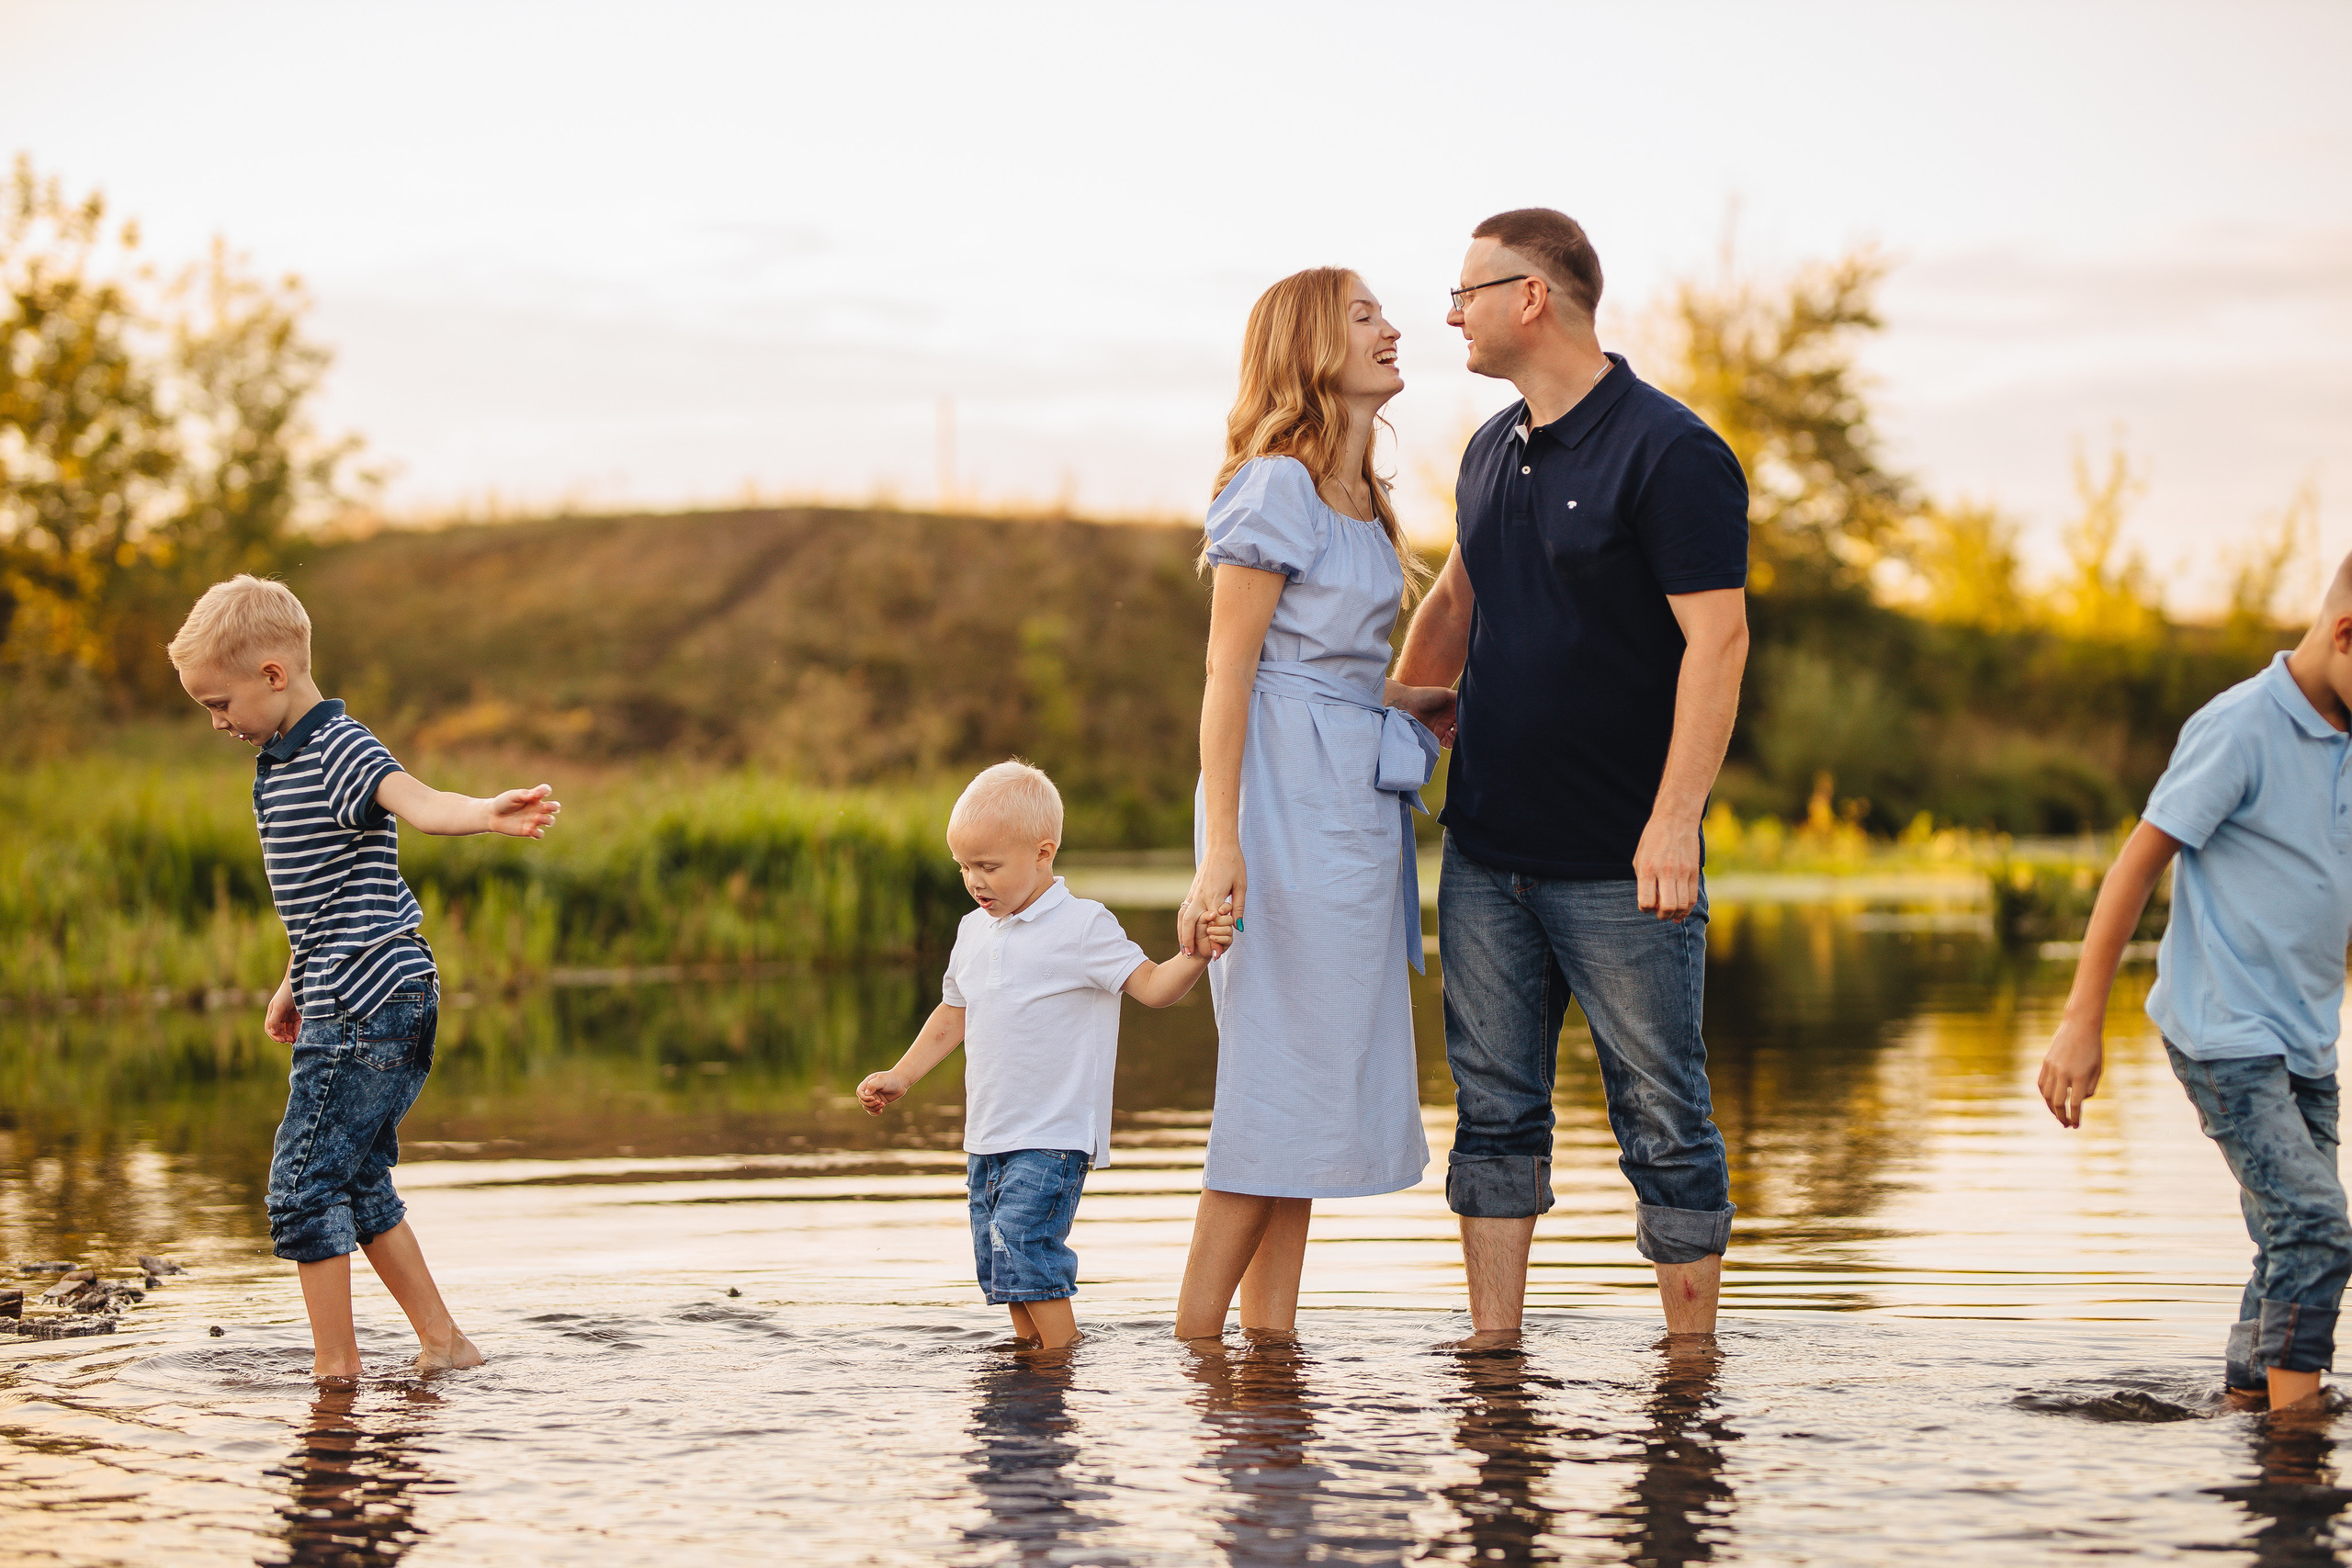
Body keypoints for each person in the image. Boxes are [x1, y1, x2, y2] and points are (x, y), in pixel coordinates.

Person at [1395, 209, 1750, 1343]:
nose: (1451, 313)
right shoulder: (1489, 449)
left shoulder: (1670, 451)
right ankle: (1492, 1358)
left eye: (1468, 292)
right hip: (1488, 855)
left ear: (1531, 296)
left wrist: (1674, 821)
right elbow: (1456, 602)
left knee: (1664, 1118)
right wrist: (1388, 745)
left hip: (1622, 865)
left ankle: (1689, 1377)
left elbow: (1719, 642)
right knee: (1494, 1117)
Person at [166, 574, 560, 1380]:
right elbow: (325, 895)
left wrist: (486, 812)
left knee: (303, 1190)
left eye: (219, 703)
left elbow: (416, 801)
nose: (216, 722)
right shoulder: (280, 765)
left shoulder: (339, 747)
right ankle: (445, 1343)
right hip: (362, 987)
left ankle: (334, 1375)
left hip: (367, 999)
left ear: (274, 675)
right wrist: (292, 982)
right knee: (356, 1178)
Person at [1171, 266, 1457, 1342]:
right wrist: (1220, 851)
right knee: (1270, 1090)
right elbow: (1228, 676)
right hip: (1283, 814)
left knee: (1303, 1098)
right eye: (1364, 315)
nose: (1393, 329)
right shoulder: (1275, 485)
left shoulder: (1363, 498)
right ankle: (1193, 1352)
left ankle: (1269, 1359)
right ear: (1306, 346)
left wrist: (1409, 700)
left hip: (1348, 808)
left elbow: (1324, 667)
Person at [2039, 558, 2352, 1412]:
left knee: (2286, 1235)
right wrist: (2080, 1021)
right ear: (2345, 634)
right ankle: (2298, 1442)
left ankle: (2250, 1409)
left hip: (2305, 1041)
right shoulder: (2241, 727)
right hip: (2225, 1034)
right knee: (2318, 1224)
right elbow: (2134, 869)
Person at [858, 760, 1228, 1349]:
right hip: (989, 1136)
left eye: (988, 866)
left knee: (1027, 1247)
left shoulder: (1082, 926)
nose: (975, 882)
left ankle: (1060, 1365)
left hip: (1053, 1136)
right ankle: (1031, 1368)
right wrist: (903, 1075)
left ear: (1043, 852)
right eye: (964, 868)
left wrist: (1198, 956)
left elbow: (1154, 988)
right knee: (1004, 1266)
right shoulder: (971, 932)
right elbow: (953, 1015)